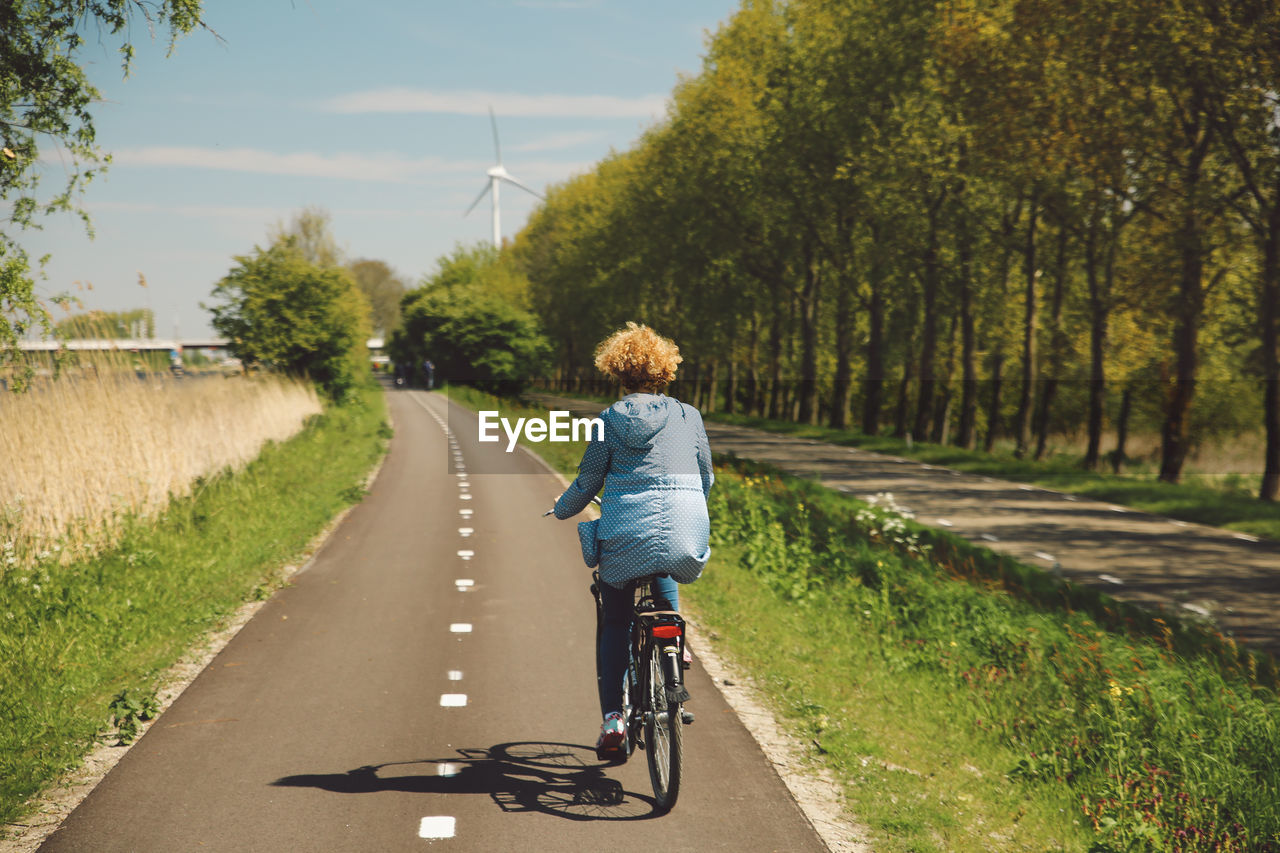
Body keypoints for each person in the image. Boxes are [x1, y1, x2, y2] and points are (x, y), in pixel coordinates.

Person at [553, 322, 713, 757]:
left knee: (616, 619)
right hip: (687, 527)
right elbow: (706, 476)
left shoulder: (608, 420)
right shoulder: (689, 416)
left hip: (626, 535)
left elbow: (588, 481)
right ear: (665, 370)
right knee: (666, 558)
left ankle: (613, 719)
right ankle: (676, 646)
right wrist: (693, 507)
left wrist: (562, 508)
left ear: (618, 372)